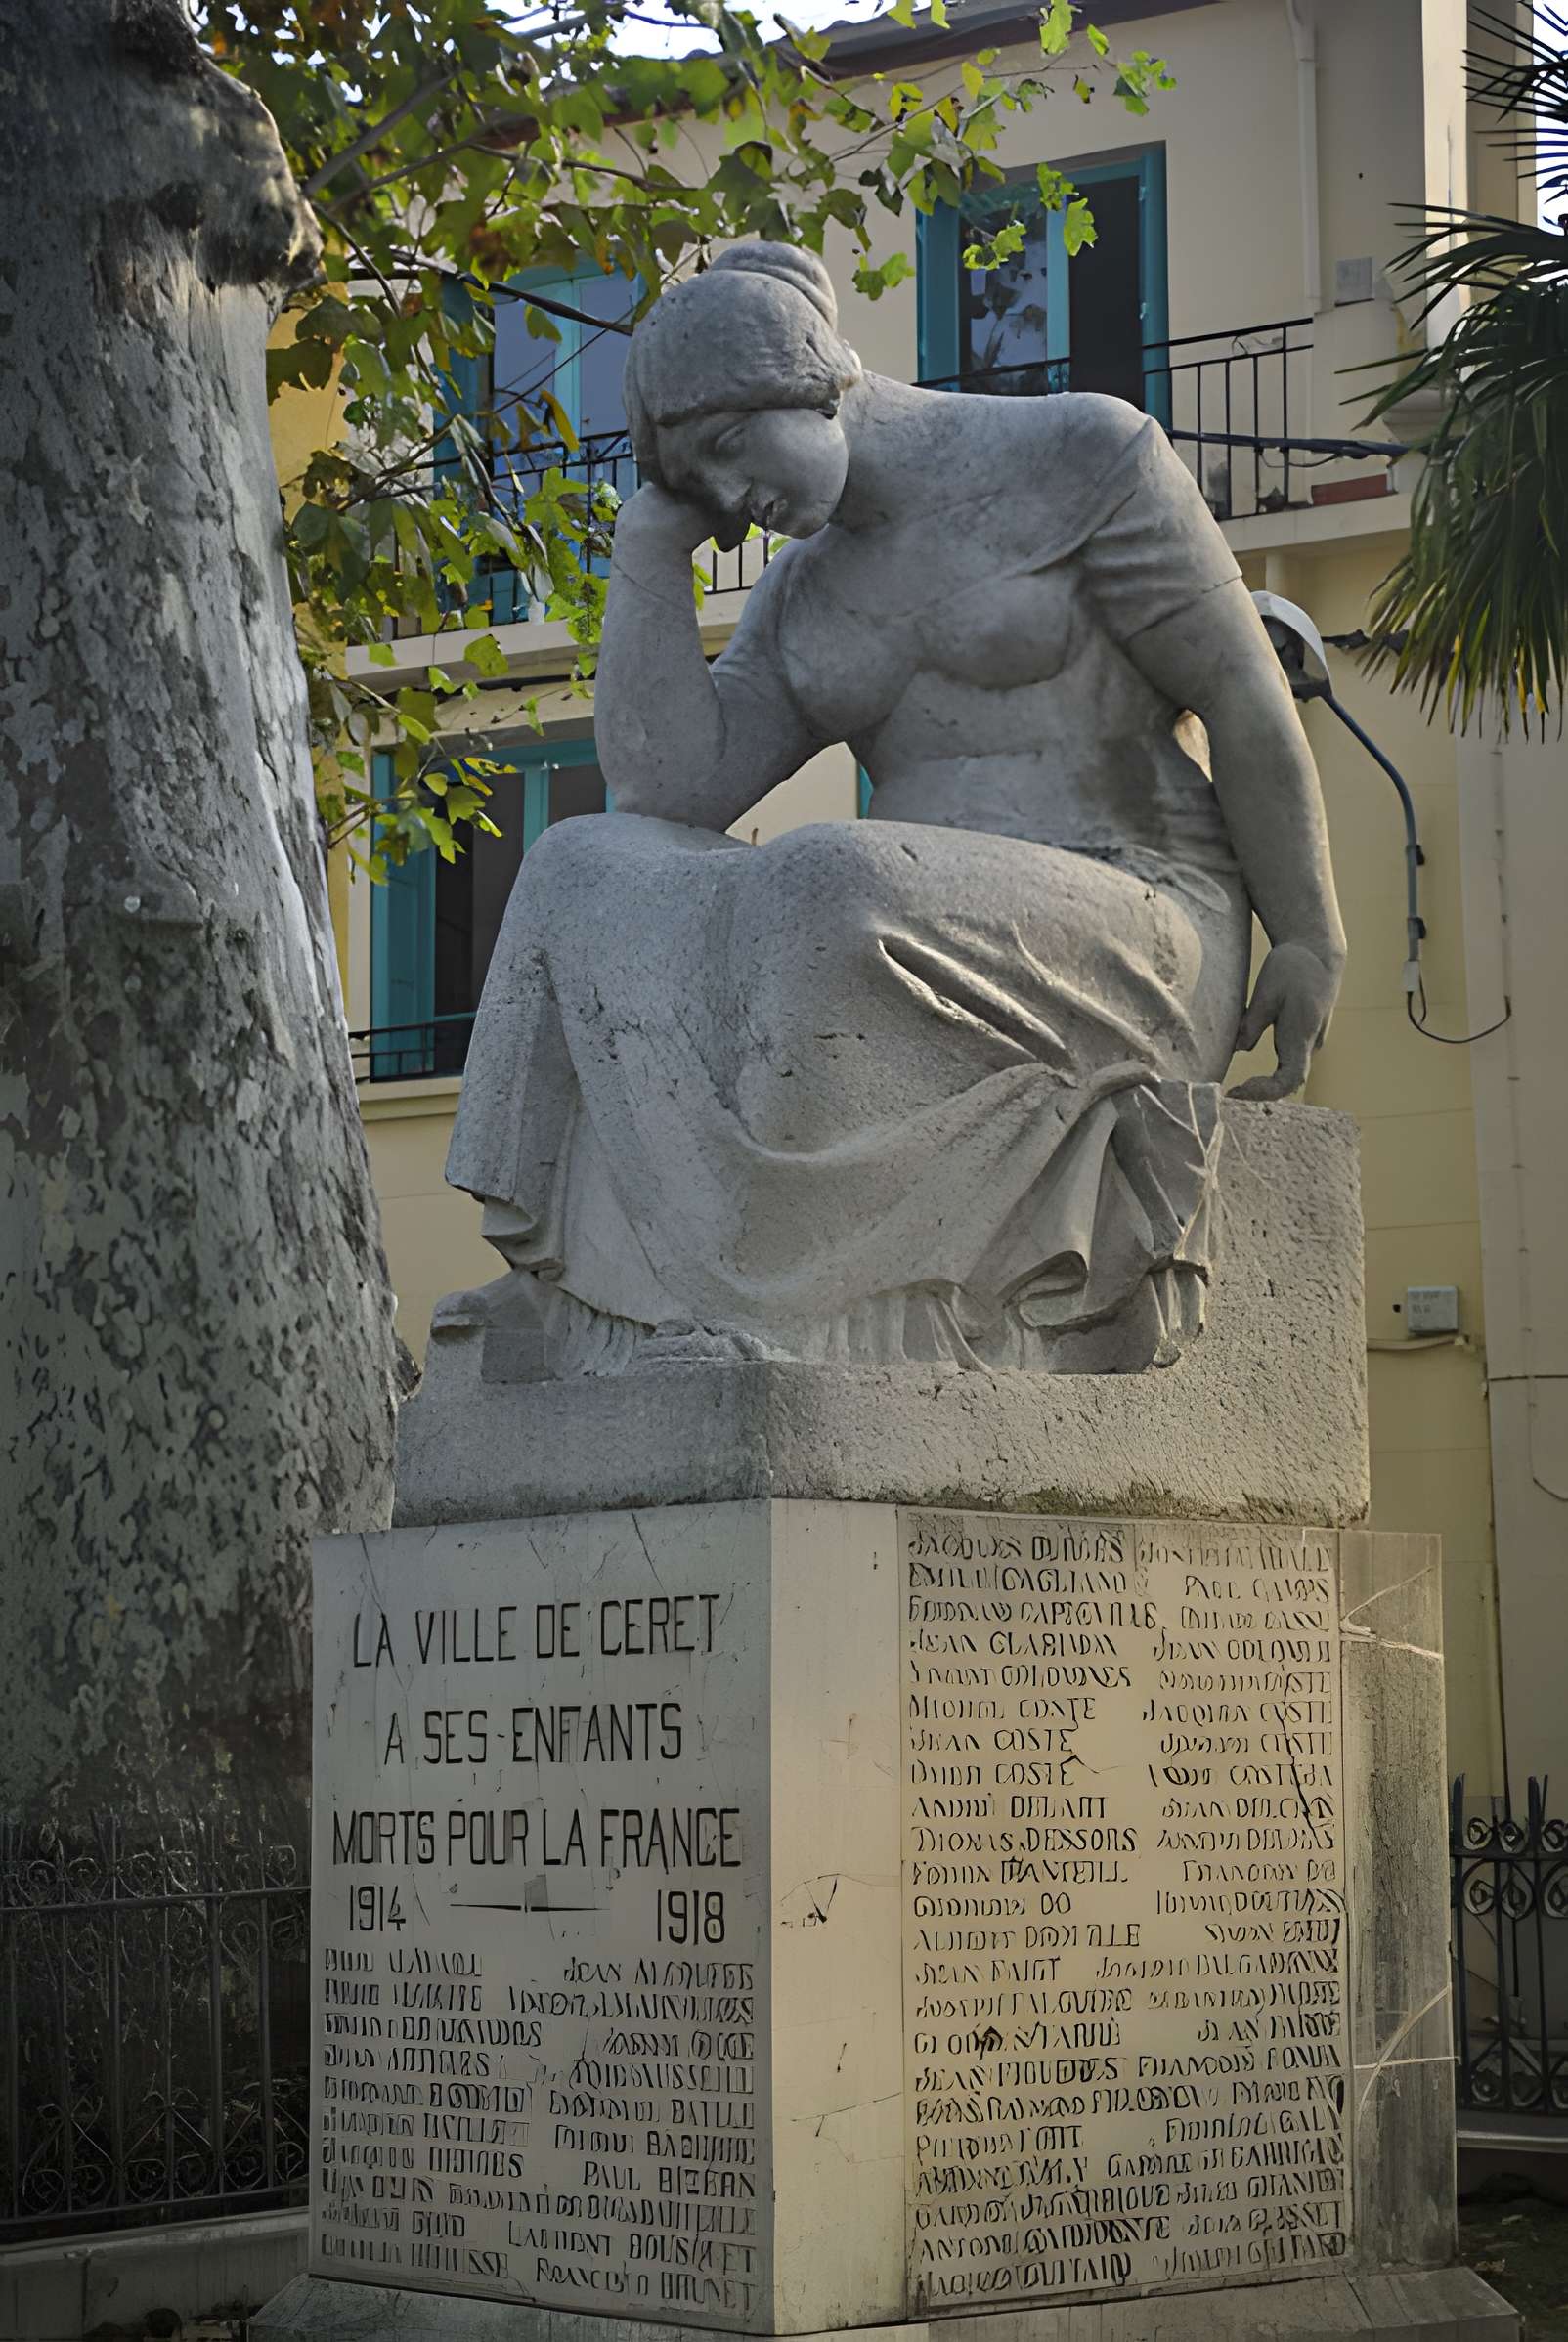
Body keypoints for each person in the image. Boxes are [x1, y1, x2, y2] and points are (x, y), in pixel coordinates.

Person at [446, 241, 1344, 1374]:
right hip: (906, 924)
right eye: (698, 484)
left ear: (812, 376)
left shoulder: (1081, 456)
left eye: (726, 449)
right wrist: (648, 549)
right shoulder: (804, 592)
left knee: (830, 876)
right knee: (579, 862)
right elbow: (664, 794)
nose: (729, 499)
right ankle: (574, 1287)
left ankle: (763, 1301)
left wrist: (1308, 932)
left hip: (1138, 924)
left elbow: (1241, 694)